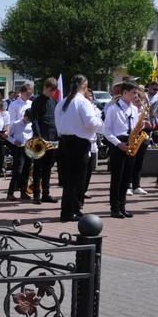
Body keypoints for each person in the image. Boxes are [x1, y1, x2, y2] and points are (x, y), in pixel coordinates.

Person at [55, 75, 103, 222]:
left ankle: (72, 209)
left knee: (70, 179)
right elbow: (90, 122)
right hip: (78, 143)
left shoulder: (62, 103)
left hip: (64, 142)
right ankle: (69, 212)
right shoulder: (83, 102)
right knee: (75, 180)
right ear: (84, 85)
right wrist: (100, 119)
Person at [101, 81, 140, 219]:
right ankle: (114, 208)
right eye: (133, 93)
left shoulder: (134, 109)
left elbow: (134, 126)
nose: (136, 95)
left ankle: (123, 206)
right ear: (125, 93)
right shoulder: (113, 109)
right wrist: (118, 144)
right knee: (117, 177)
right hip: (118, 144)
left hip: (131, 143)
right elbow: (106, 130)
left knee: (126, 177)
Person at [28, 78, 59, 204]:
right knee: (38, 167)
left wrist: (56, 137)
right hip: (40, 139)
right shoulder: (36, 101)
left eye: (54, 90)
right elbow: (34, 120)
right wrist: (39, 138)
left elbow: (55, 120)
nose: (52, 92)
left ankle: (46, 193)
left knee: (48, 167)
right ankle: (36, 193)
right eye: (50, 90)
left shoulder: (54, 101)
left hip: (52, 139)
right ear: (45, 87)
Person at [6, 83, 34, 201]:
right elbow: (11, 123)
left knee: (27, 169)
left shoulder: (31, 104)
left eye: (30, 94)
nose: (28, 96)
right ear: (21, 93)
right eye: (27, 94)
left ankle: (23, 191)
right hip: (18, 138)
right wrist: (13, 140)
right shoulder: (14, 105)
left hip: (29, 141)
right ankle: (11, 192)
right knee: (18, 169)